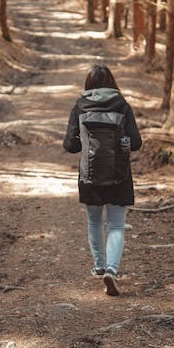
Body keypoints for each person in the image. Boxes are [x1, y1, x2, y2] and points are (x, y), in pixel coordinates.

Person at [63, 64, 142, 296]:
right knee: (116, 224)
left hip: (90, 175)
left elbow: (70, 146)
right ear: (112, 82)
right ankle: (112, 270)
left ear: (88, 84)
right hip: (119, 174)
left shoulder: (80, 106)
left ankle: (99, 266)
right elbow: (136, 143)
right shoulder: (122, 105)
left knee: (95, 221)